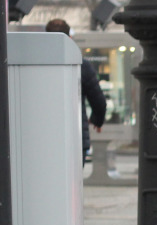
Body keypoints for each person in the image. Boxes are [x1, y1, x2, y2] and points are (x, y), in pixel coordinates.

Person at [46, 19, 106, 162]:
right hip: (76, 138)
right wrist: (97, 121)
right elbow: (99, 101)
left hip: (47, 138)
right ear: (70, 38)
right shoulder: (81, 65)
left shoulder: (38, 65)